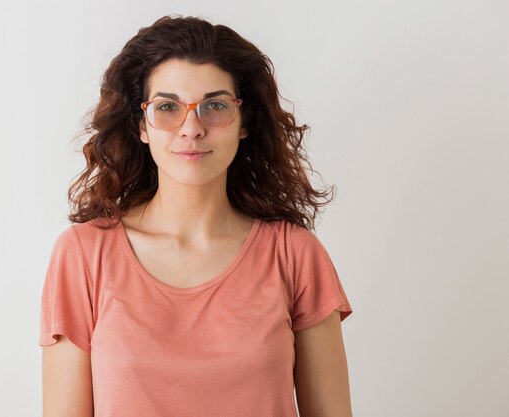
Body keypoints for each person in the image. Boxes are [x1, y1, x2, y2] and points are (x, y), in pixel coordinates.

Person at [39, 14, 353, 417]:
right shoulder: (83, 255)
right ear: (141, 125)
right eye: (167, 107)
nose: (192, 127)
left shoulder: (295, 255)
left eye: (215, 105)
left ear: (244, 123)